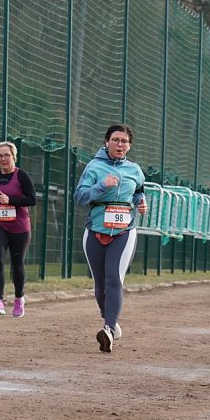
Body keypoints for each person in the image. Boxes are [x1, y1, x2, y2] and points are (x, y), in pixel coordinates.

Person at [74, 124, 146, 353]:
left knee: (114, 278)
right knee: (100, 285)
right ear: (107, 142)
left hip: (124, 231)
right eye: (115, 140)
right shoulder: (94, 167)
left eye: (124, 141)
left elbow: (138, 191)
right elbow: (80, 197)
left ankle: (107, 329)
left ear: (129, 146)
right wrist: (101, 185)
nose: (119, 144)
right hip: (95, 230)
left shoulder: (134, 169)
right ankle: (111, 320)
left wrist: (140, 202)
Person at [0, 141, 36, 318]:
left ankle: (19, 298)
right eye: (0, 156)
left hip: (19, 227)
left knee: (17, 264)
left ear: (14, 156)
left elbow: (32, 199)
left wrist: (11, 200)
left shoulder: (22, 176)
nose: (3, 159)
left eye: (7, 155)